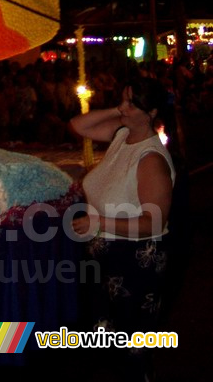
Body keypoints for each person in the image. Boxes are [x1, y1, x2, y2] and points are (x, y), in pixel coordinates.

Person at [70, 76, 176, 381]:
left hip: (135, 262)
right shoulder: (122, 135)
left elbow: (153, 221)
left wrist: (99, 223)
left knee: (132, 349)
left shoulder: (150, 158)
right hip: (108, 258)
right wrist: (124, 111)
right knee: (105, 345)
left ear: (153, 111)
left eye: (132, 102)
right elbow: (79, 124)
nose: (121, 106)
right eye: (122, 98)